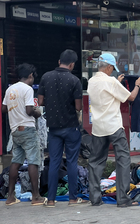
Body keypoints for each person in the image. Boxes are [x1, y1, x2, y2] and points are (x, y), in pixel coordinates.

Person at [87, 53, 140, 207]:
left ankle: (94, 198)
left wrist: (116, 82)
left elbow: (107, 93)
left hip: (98, 128)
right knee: (123, 160)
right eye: (112, 69)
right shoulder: (111, 81)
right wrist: (138, 85)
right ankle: (123, 199)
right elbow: (131, 97)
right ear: (109, 67)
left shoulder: (91, 81)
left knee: (95, 162)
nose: (112, 72)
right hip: (114, 126)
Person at [38, 49, 84, 207]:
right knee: (71, 162)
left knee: (54, 162)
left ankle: (50, 200)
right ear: (71, 64)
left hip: (54, 129)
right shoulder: (74, 81)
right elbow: (78, 107)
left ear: (59, 61)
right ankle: (72, 198)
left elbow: (41, 101)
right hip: (71, 127)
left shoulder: (46, 77)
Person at [2, 63, 46, 206]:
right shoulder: (27, 89)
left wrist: (15, 109)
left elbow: (3, 109)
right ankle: (36, 197)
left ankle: (10, 197)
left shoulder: (10, 89)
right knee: (33, 161)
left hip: (15, 130)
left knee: (16, 161)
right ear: (30, 76)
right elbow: (29, 111)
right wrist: (37, 113)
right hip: (27, 128)